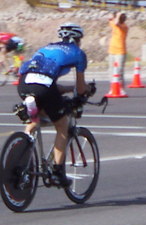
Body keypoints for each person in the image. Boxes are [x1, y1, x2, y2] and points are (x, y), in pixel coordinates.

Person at [17, 23, 95, 187]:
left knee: (34, 119)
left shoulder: (47, 48)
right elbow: (81, 89)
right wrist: (87, 89)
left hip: (24, 83)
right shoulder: (78, 53)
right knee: (62, 124)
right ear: (78, 39)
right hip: (44, 86)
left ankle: (22, 157)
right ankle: (58, 173)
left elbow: (47, 84)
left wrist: (68, 89)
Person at [108, 11, 128, 90]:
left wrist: (118, 15)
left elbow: (116, 23)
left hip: (120, 51)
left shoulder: (124, 27)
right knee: (111, 71)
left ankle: (121, 89)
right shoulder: (114, 24)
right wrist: (114, 14)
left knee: (119, 71)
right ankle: (113, 88)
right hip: (112, 50)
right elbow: (109, 17)